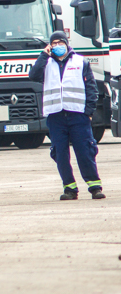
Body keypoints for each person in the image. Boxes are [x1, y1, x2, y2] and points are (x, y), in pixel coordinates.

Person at [28, 31, 104, 201]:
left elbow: (91, 88)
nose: (57, 46)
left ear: (66, 43)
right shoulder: (45, 63)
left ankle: (94, 187)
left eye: (60, 42)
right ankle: (69, 188)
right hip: (56, 116)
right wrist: (43, 54)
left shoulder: (80, 61)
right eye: (53, 43)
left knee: (85, 151)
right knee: (60, 153)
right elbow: (33, 76)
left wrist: (88, 112)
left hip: (78, 115)